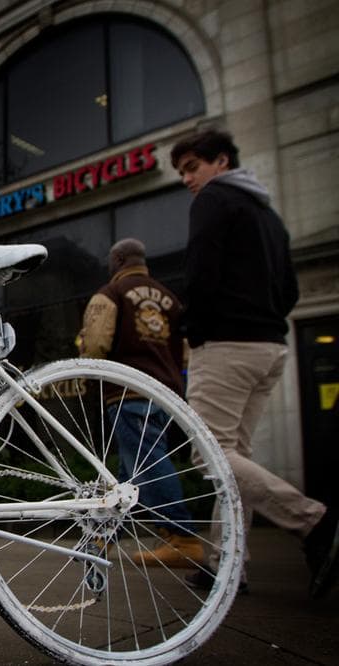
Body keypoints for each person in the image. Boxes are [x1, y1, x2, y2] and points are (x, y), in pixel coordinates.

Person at [171, 128, 338, 598]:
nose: (187, 179)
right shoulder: (269, 215)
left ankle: (312, 521)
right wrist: (263, 319)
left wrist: (192, 328)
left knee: (208, 452)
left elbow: (201, 272)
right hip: (269, 348)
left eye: (192, 167)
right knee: (232, 458)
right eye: (182, 172)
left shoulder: (215, 201)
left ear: (221, 161)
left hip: (225, 345)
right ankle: (227, 565)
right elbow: (291, 292)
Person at [79, 238, 202, 568]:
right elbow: (186, 352)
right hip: (166, 394)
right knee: (128, 474)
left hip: (128, 392)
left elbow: (94, 344)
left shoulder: (111, 293)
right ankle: (103, 538)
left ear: (118, 259)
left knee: (145, 464)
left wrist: (85, 366)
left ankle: (182, 536)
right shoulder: (171, 300)